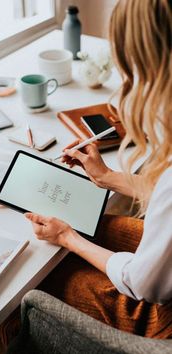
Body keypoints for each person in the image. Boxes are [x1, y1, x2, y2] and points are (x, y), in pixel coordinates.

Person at [22, 0, 172, 340]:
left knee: (44, 278)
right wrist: (108, 177)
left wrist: (66, 237)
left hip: (164, 317)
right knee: (97, 226)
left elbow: (143, 284)